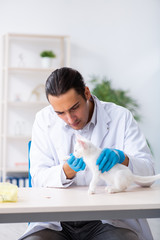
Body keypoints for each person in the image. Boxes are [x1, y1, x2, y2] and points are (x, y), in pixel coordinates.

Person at [19, 67, 154, 240]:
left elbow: (148, 170)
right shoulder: (43, 120)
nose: (70, 119)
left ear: (87, 93)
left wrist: (124, 158)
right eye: (60, 113)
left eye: (74, 107)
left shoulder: (121, 117)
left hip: (107, 220)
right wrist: (66, 170)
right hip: (56, 222)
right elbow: (37, 177)